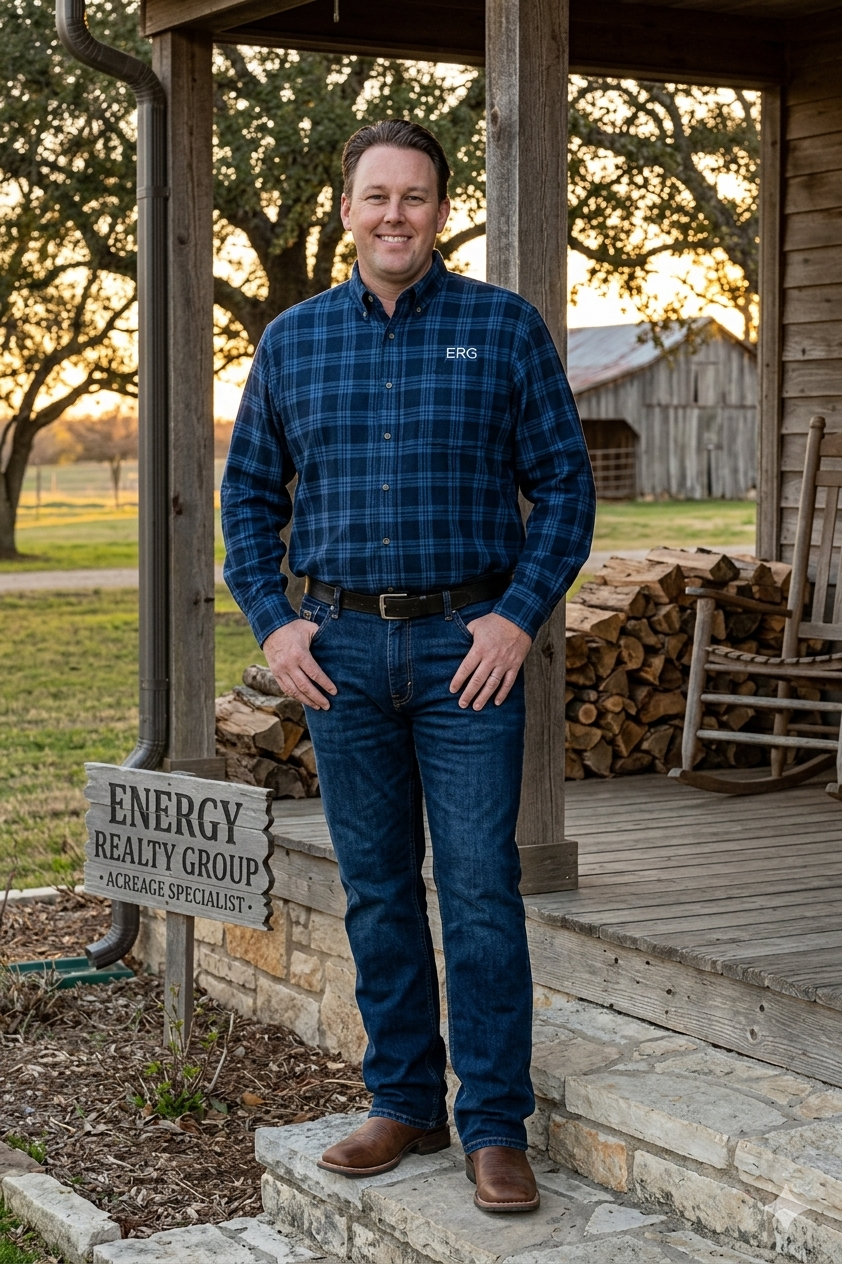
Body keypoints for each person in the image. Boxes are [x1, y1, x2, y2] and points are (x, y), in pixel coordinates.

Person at [222, 119, 595, 1213]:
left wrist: (516, 618)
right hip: (336, 653)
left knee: (479, 889)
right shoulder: (291, 342)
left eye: (416, 197)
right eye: (376, 196)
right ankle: (401, 1100)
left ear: (441, 211)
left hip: (465, 653)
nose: (396, 215)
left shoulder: (503, 328)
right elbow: (248, 497)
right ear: (346, 209)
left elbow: (565, 490)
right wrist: (274, 623)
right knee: (378, 888)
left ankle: (491, 1123)